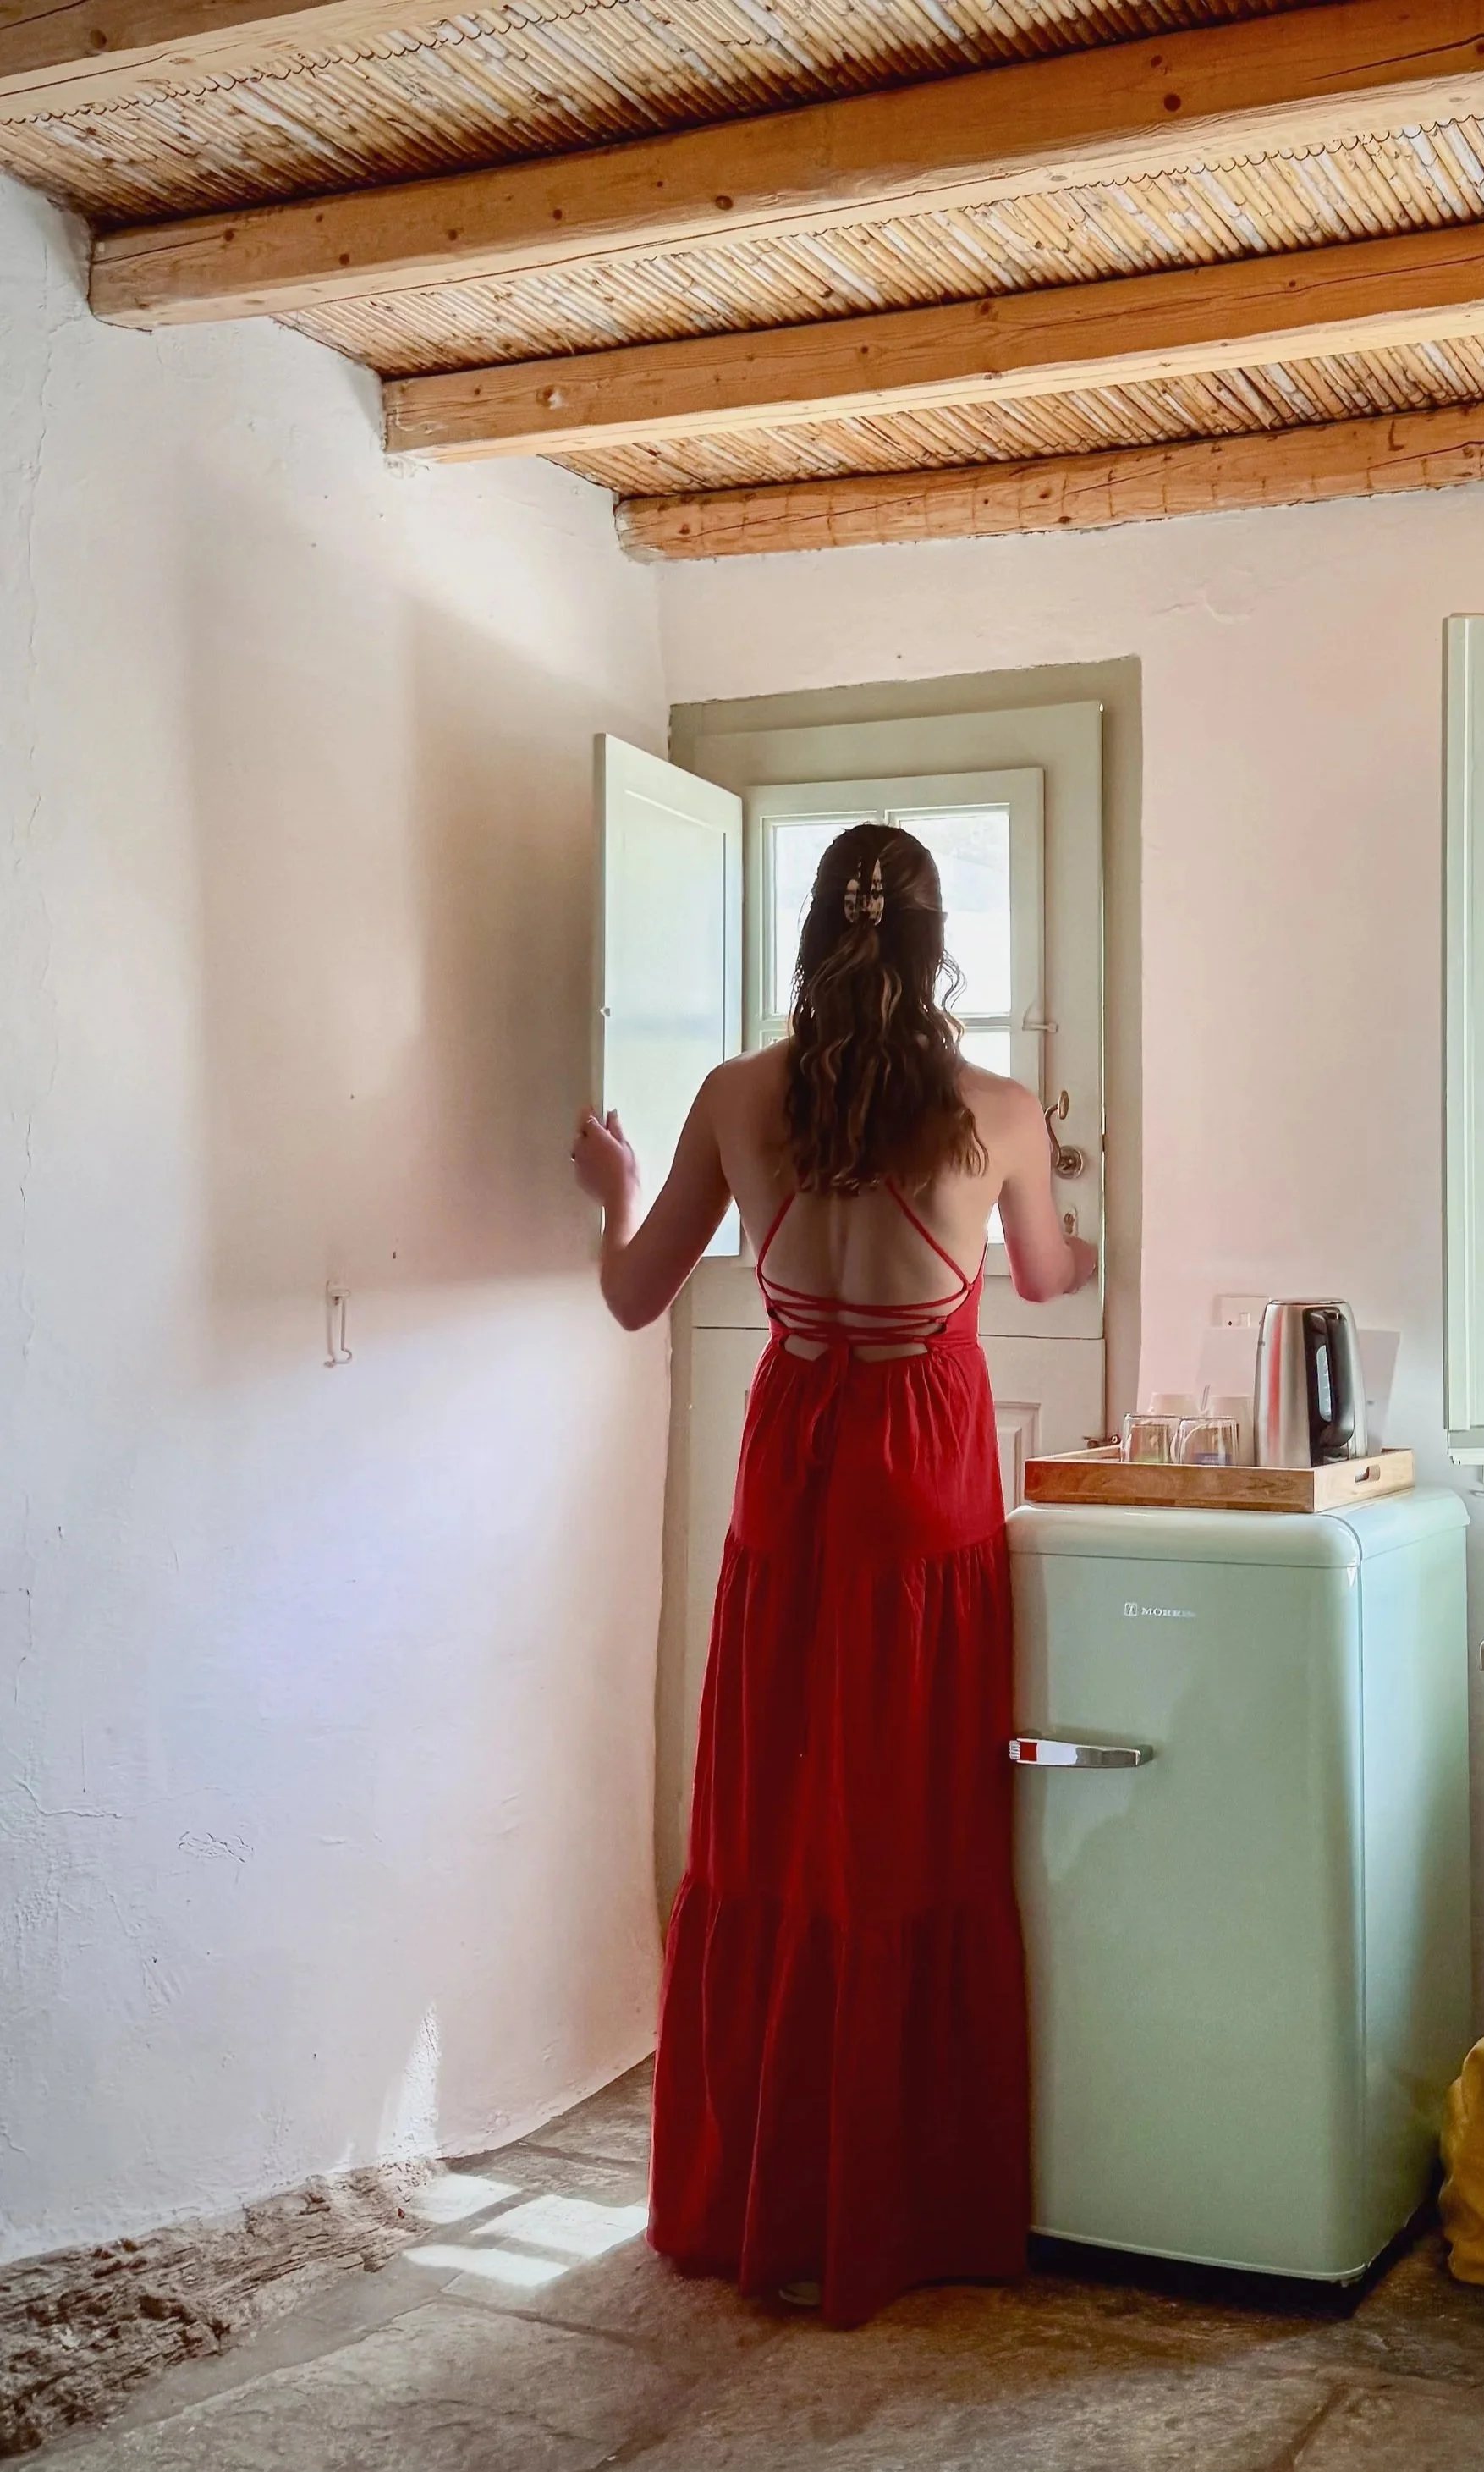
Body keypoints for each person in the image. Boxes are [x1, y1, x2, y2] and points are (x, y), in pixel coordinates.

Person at [571, 822, 1097, 2327]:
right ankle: (902, 2201)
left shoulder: (737, 1096)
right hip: (920, 1478)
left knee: (773, 1821)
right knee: (907, 1833)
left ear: (811, 936)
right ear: (938, 951)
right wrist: (1049, 1176)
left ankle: (765, 2198)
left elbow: (630, 1295)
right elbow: (1053, 1279)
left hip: (793, 1463)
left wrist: (611, 1185)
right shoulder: (991, 1111)